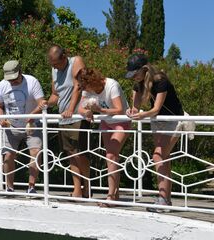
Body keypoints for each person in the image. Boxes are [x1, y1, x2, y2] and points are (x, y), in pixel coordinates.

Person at [125, 54, 184, 211]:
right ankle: (165, 199)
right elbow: (136, 108)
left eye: (135, 74)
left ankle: (164, 199)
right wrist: (131, 111)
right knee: (163, 158)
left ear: (144, 70)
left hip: (173, 120)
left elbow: (156, 108)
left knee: (158, 156)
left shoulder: (160, 81)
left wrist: (142, 115)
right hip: (157, 121)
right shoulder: (138, 84)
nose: (133, 78)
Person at [78, 68, 129, 207]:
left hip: (121, 121)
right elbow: (80, 108)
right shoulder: (87, 89)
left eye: (85, 86)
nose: (85, 90)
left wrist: (100, 110)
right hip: (106, 122)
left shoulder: (111, 85)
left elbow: (119, 109)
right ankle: (115, 194)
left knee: (111, 156)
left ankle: (111, 196)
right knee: (111, 157)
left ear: (92, 81)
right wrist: (87, 112)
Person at [44, 45, 90, 198]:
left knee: (80, 154)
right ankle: (77, 189)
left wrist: (71, 109)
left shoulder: (76, 61)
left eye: (56, 63)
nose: (55, 67)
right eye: (52, 64)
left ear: (64, 56)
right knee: (71, 154)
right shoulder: (54, 70)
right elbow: (55, 95)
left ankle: (87, 187)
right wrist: (46, 103)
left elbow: (79, 86)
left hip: (77, 116)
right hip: (64, 118)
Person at [0, 60, 46, 194]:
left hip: (32, 125)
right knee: (8, 155)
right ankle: (9, 187)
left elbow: (42, 103)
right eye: (10, 80)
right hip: (11, 126)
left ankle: (31, 187)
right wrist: (1, 118)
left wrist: (33, 115)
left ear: (20, 72)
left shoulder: (32, 82)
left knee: (35, 152)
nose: (12, 82)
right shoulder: (2, 85)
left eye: (15, 79)